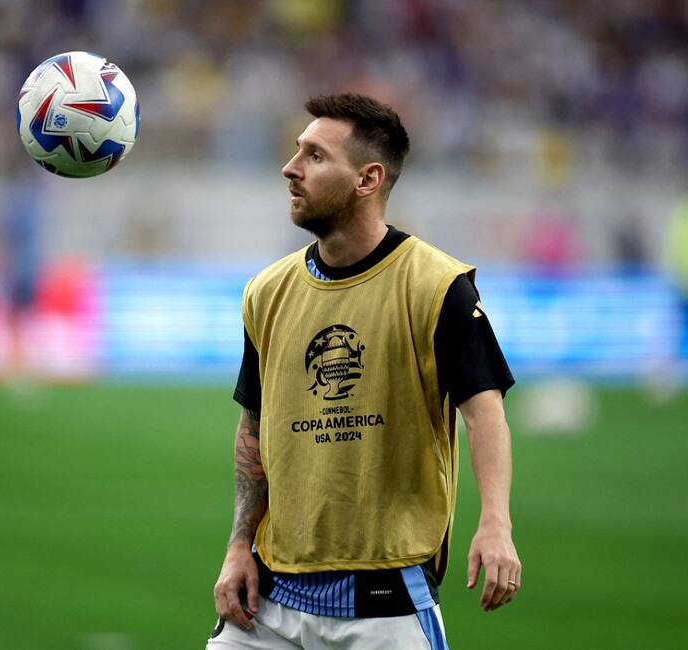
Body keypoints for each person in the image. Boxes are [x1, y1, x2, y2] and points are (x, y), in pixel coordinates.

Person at [208, 94, 521, 649]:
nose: (291, 167)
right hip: (270, 599)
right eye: (295, 151)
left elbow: (484, 409)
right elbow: (253, 428)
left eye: (314, 156)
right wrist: (238, 546)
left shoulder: (437, 285)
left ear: (367, 179)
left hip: (384, 603)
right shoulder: (267, 292)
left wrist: (496, 523)